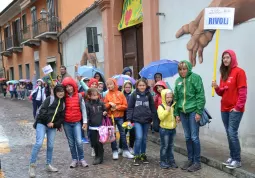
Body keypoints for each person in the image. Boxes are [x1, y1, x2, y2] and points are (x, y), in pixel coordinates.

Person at [212, 50, 247, 169]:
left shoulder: (239, 72)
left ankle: (237, 159)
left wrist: (238, 107)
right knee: (228, 133)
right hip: (224, 109)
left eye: (227, 57)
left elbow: (242, 92)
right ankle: (232, 157)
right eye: (223, 58)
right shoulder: (224, 74)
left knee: (232, 133)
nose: (225, 60)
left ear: (232, 58)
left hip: (235, 109)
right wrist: (216, 87)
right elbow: (222, 92)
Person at [174, 60, 205, 172]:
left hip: (193, 111)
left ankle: (197, 162)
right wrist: (176, 113)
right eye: (180, 69)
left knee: (194, 137)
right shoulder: (178, 81)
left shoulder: (195, 78)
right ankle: (190, 159)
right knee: (187, 137)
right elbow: (176, 98)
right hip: (183, 112)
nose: (182, 71)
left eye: (184, 68)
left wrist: (198, 112)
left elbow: (200, 95)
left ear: (189, 68)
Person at [28, 85, 65, 178]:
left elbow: (61, 117)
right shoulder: (49, 99)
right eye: (59, 91)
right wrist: (49, 121)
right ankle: (32, 166)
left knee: (51, 145)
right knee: (39, 143)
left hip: (52, 126)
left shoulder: (63, 103)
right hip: (42, 123)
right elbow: (42, 111)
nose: (61, 93)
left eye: (62, 91)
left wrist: (56, 124)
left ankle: (48, 164)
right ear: (55, 92)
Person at [127, 78, 157, 166]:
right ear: (137, 86)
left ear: (146, 86)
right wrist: (129, 119)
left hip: (147, 120)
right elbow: (130, 108)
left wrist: (152, 119)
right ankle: (136, 155)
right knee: (139, 138)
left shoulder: (149, 95)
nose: (142, 87)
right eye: (140, 85)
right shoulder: (134, 95)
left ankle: (143, 155)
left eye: (143, 85)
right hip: (137, 120)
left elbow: (152, 108)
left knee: (144, 139)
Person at [62, 77, 89, 168]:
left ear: (73, 86)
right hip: (67, 123)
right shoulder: (63, 98)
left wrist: (85, 122)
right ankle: (74, 159)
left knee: (79, 141)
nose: (69, 88)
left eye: (70, 86)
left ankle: (81, 159)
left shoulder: (79, 96)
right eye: (67, 87)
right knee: (71, 142)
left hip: (77, 122)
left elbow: (84, 109)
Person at [104, 78, 134, 160]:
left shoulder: (120, 94)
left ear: (114, 84)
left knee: (123, 133)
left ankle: (126, 150)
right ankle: (114, 151)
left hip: (120, 117)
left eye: (111, 84)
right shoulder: (107, 95)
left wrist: (117, 107)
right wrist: (109, 104)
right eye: (108, 85)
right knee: (112, 135)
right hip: (111, 117)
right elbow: (104, 106)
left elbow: (125, 106)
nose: (109, 86)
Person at [86, 88, 107, 165]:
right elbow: (87, 115)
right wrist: (86, 123)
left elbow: (105, 110)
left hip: (100, 126)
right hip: (92, 126)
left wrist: (105, 112)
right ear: (89, 96)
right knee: (94, 142)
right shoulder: (87, 104)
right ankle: (97, 155)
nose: (95, 96)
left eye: (96, 95)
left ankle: (100, 157)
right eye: (93, 95)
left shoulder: (101, 103)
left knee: (99, 142)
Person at [158, 89, 177, 169]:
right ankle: (163, 161)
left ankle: (171, 160)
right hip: (164, 130)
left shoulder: (174, 106)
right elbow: (161, 117)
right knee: (164, 146)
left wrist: (177, 118)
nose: (169, 99)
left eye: (171, 97)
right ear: (164, 98)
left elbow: (175, 116)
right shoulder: (161, 107)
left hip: (173, 129)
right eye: (167, 97)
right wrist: (167, 110)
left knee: (171, 146)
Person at [118, 81, 135, 155]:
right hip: (123, 116)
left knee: (132, 132)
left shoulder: (133, 95)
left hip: (132, 117)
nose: (127, 89)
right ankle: (120, 147)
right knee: (123, 132)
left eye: (129, 87)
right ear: (123, 88)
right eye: (126, 87)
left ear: (131, 88)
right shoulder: (121, 95)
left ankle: (131, 146)